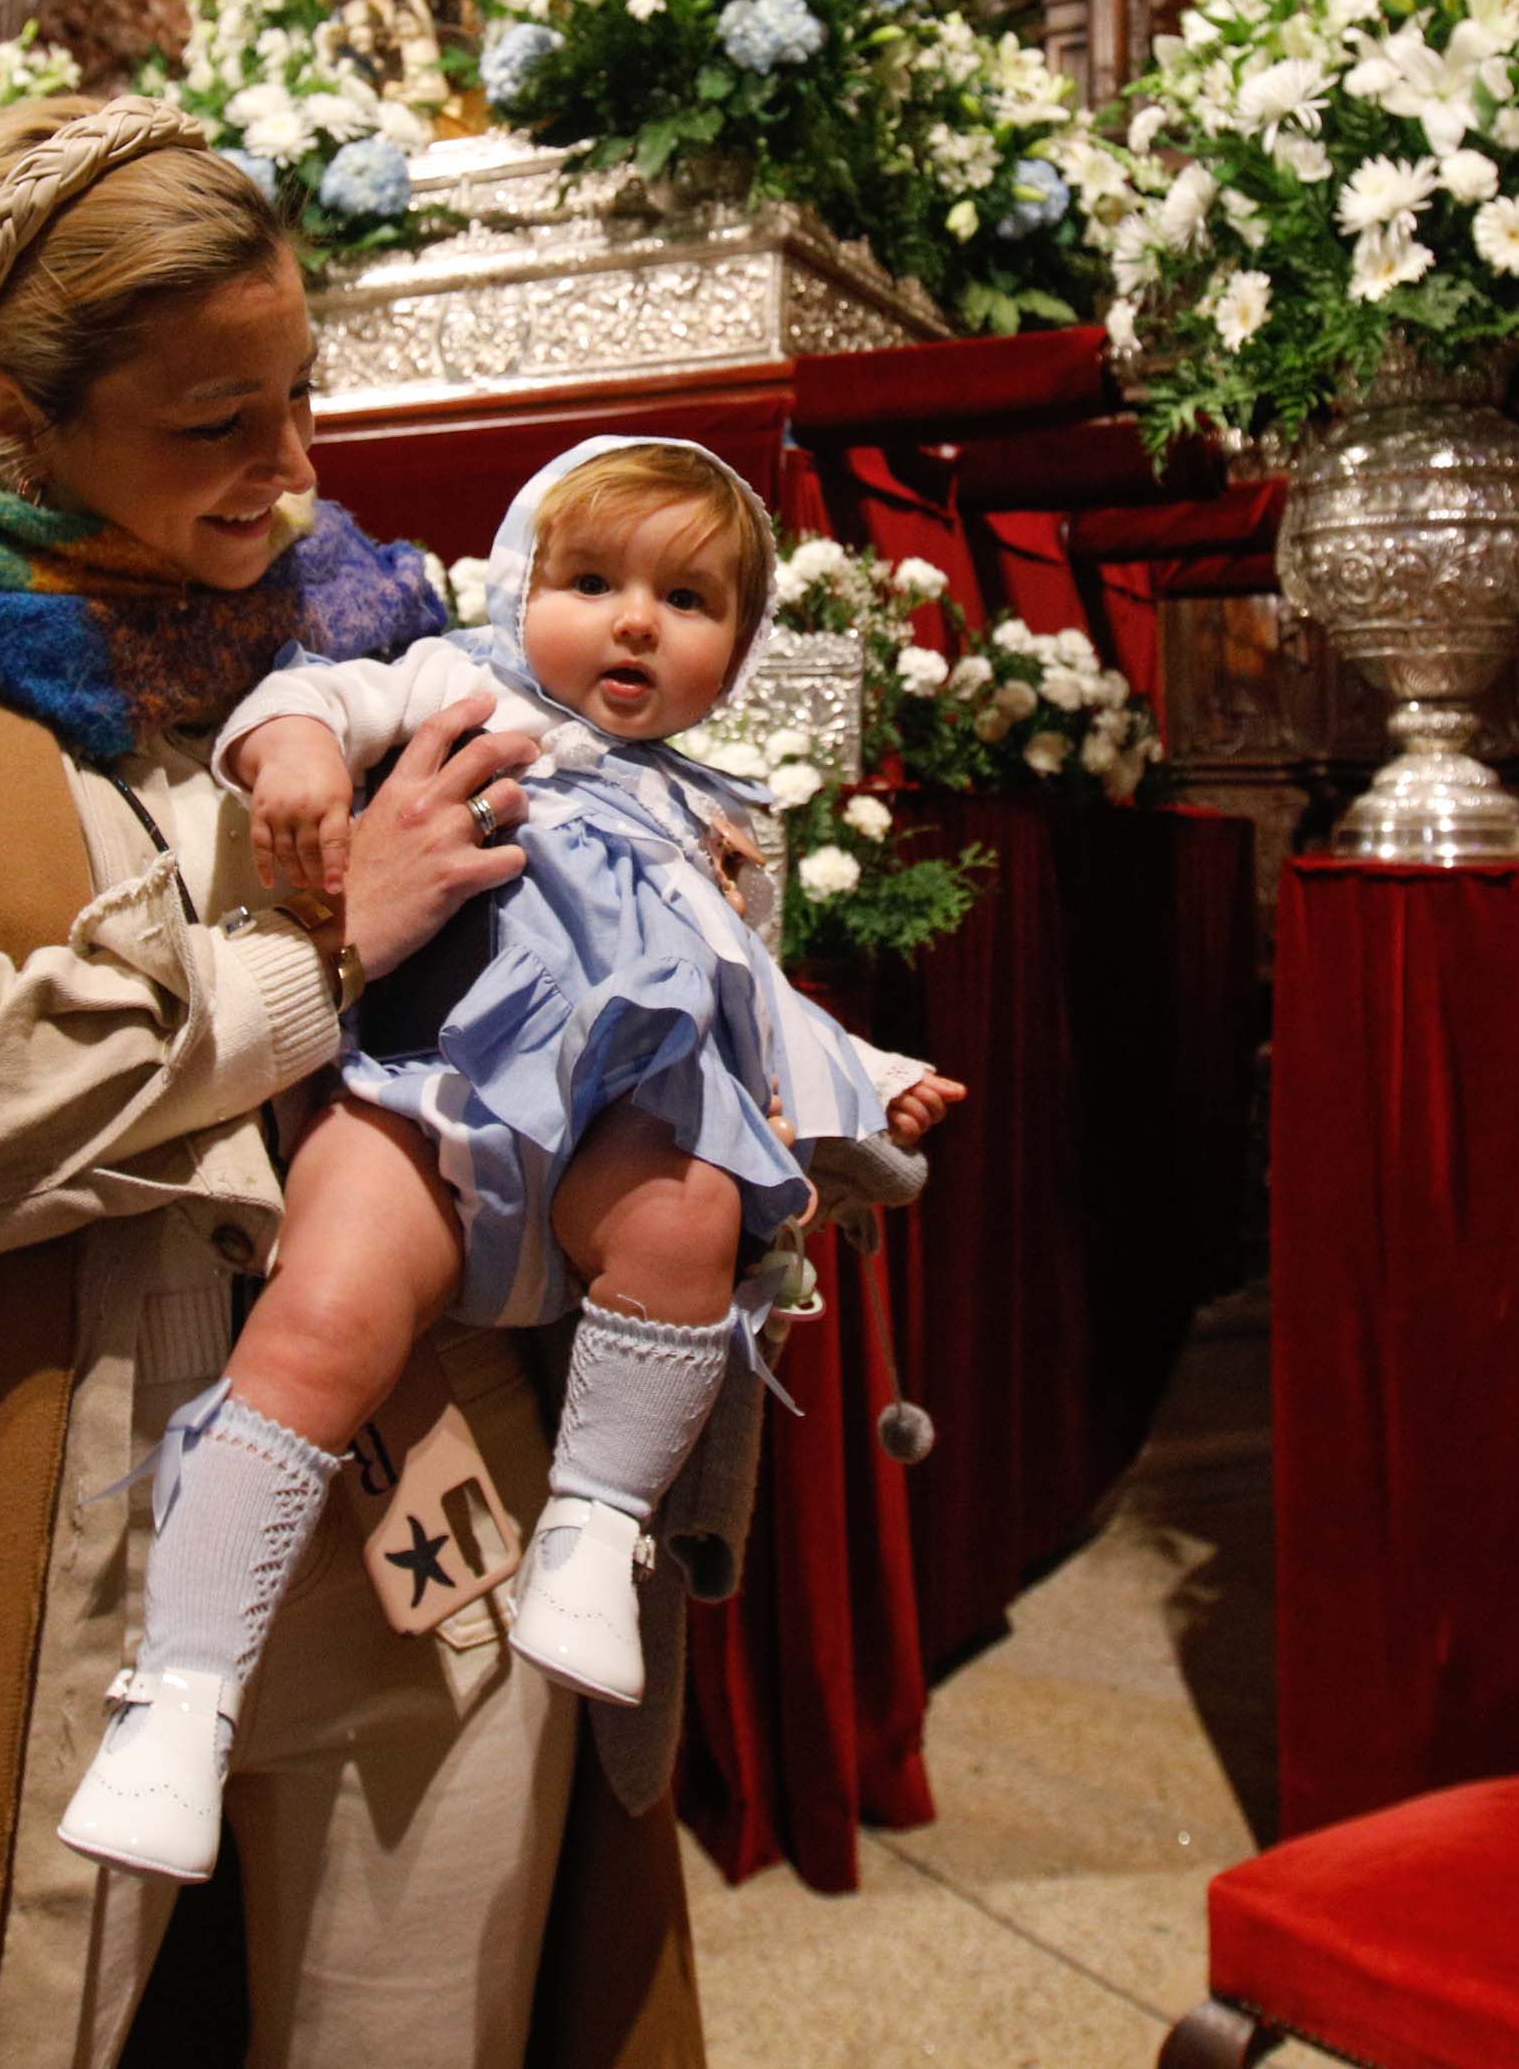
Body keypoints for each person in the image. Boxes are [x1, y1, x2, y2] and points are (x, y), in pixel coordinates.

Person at [0, 95, 687, 2069]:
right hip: (43, 1540)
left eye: (302, 399)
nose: (291, 477)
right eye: (215, 424)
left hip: (421, 1504)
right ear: (19, 418)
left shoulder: (370, 640)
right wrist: (309, 959)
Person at [60, 435, 962, 1882]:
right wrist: (295, 754)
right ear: (514, 576)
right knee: (322, 1318)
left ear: (735, 655)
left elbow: (747, 991)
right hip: (431, 1098)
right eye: (592, 580)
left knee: (691, 1212)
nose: (631, 623)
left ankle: (595, 1533)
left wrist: (875, 1083)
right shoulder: (464, 682)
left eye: (687, 603)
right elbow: (309, 692)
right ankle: (180, 1689)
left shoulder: (721, 817)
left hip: (610, 1128)